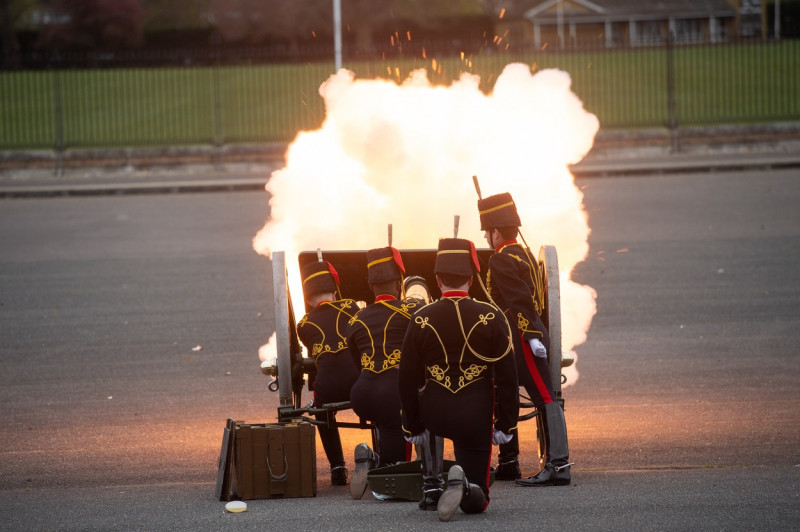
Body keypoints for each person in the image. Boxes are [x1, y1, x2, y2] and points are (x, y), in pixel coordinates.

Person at [399, 238, 519, 522]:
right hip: (475, 414)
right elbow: (507, 375)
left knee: (426, 418)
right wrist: (505, 423)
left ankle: (431, 486)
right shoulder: (491, 315)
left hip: (434, 413)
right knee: (478, 503)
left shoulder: (420, 318)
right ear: (471, 279)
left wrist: (412, 424)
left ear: (437, 279)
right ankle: (463, 484)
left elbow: (407, 379)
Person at [477, 191, 572, 486]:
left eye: (486, 233)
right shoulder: (523, 254)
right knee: (510, 390)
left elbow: (520, 301)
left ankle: (558, 466)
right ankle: (509, 463)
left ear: (494, 232)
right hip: (527, 330)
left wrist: (530, 336)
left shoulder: (501, 260)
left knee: (544, 396)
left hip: (521, 333)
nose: (486, 239)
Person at [345, 246, 420, 500]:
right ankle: (382, 466)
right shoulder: (411, 312)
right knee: (398, 426)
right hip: (393, 393)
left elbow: (356, 361)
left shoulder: (355, 320)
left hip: (362, 394)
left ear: (371, 286)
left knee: (386, 420)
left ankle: (373, 456)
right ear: (399, 284)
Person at [296, 259, 361, 487]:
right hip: (358, 384)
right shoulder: (352, 307)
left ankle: (337, 467)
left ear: (307, 300)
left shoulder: (303, 325)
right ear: (335, 293)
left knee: (320, 409)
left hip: (328, 388)